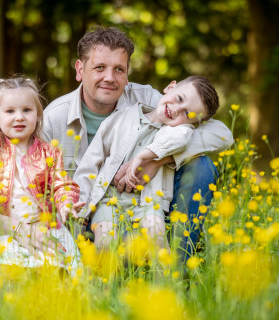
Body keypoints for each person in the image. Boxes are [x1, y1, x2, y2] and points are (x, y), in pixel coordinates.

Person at [43, 26, 233, 262]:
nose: (109, 78)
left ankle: (179, 263)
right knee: (104, 244)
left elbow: (222, 134)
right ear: (80, 70)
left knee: (202, 166)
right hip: (90, 214)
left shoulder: (152, 101)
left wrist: (156, 159)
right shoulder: (53, 119)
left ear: (127, 74)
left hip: (148, 206)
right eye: (100, 67)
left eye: (119, 69)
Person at [74, 76, 220, 251]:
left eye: (187, 114)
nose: (176, 110)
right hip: (109, 199)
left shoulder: (178, 133)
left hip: (150, 203)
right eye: (180, 98)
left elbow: (189, 136)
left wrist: (146, 156)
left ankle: (172, 269)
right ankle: (97, 269)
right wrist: (81, 208)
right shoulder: (122, 117)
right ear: (170, 87)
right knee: (105, 241)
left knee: (157, 239)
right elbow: (91, 162)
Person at [0, 77, 84, 274]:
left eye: (27, 110)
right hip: (5, 229)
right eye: (10, 111)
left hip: (42, 227)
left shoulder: (49, 152)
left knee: (55, 268)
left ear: (38, 115)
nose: (19, 117)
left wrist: (66, 204)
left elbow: (61, 184)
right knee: (9, 269)